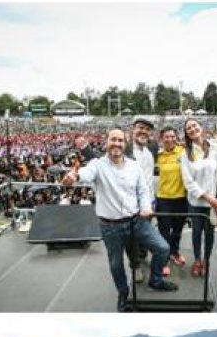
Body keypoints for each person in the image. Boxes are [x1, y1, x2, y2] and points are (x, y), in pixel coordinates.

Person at [62, 127, 176, 312]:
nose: (116, 143)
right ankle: (123, 293)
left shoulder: (134, 165)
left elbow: (142, 190)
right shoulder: (98, 165)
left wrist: (146, 207)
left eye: (120, 140)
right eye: (113, 140)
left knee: (163, 248)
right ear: (106, 143)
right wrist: (73, 176)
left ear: (125, 144)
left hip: (136, 220)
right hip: (110, 226)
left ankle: (156, 281)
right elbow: (84, 173)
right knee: (116, 264)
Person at [179, 118, 217, 278]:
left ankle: (206, 260)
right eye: (188, 128)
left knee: (210, 233)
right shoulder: (185, 153)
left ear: (201, 127)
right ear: (186, 133)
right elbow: (188, 182)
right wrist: (209, 198)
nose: (192, 129)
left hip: (214, 201)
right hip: (196, 201)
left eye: (194, 125)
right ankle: (197, 260)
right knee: (196, 232)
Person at [124, 116, 158, 283]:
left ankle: (143, 255)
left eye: (147, 129)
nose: (143, 131)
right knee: (131, 236)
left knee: (145, 231)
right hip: (131, 202)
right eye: (140, 128)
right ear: (133, 130)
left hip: (149, 200)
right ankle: (135, 266)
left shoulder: (151, 149)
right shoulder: (124, 150)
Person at [155, 126, 189, 274]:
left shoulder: (183, 152)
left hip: (181, 198)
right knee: (164, 232)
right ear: (161, 139)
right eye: (166, 137)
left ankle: (174, 252)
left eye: (172, 136)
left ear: (177, 137)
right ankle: (165, 259)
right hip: (163, 199)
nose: (170, 139)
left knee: (177, 230)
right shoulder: (158, 155)